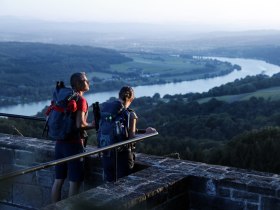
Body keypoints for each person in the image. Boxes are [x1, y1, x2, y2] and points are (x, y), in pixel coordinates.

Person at [51, 72, 95, 202]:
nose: (88, 82)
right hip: (74, 145)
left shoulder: (65, 97)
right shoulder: (80, 100)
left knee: (58, 181)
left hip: (60, 143)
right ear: (78, 83)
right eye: (85, 80)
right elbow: (80, 124)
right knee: (74, 183)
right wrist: (93, 125)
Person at [102, 86, 156, 182]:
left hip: (107, 154)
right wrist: (147, 133)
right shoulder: (130, 114)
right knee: (123, 185)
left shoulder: (107, 110)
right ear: (132, 98)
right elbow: (132, 138)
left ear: (119, 95)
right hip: (123, 156)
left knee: (109, 186)